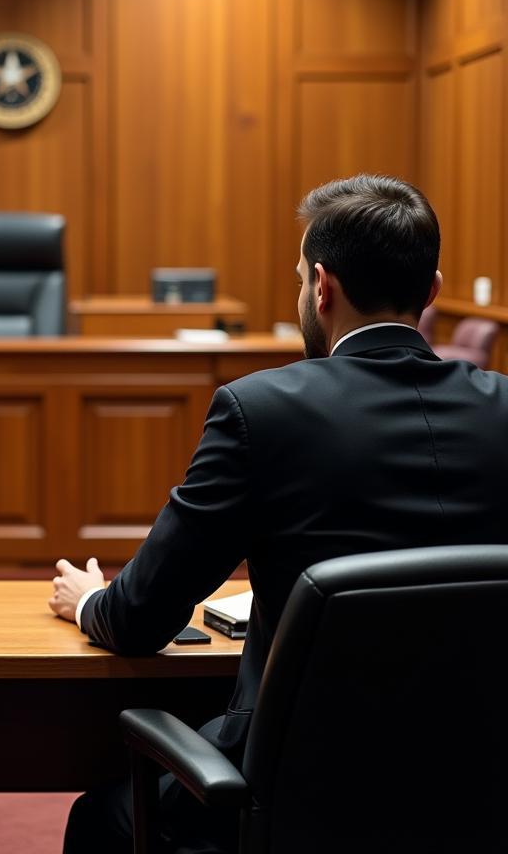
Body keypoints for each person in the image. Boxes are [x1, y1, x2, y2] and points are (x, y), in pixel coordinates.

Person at [49, 174, 508, 854]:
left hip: (300, 790)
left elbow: (140, 617)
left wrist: (91, 602)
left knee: (101, 819)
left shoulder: (259, 412)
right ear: (434, 288)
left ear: (321, 287)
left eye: (299, 279)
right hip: (481, 788)